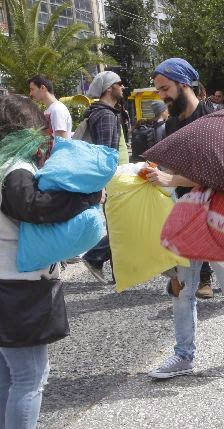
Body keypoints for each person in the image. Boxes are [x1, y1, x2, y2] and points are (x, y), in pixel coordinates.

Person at [0, 95, 102, 429]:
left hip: (7, 282)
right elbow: (34, 206)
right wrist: (87, 197)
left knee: (8, 375)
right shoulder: (14, 168)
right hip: (17, 285)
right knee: (30, 377)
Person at [146, 58, 224, 377]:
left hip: (217, 217)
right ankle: (183, 356)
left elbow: (221, 173)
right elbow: (180, 169)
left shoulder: (214, 117)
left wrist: (171, 179)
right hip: (186, 218)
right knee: (180, 290)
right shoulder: (173, 123)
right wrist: (157, 174)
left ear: (183, 83)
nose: (161, 95)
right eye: (158, 89)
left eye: (165, 88)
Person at [81, 71, 126, 284]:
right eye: (119, 84)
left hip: (112, 178)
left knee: (120, 223)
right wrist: (103, 185)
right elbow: (105, 154)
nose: (123, 87)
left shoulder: (100, 112)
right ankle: (95, 256)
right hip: (112, 179)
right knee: (124, 223)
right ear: (109, 88)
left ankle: (119, 272)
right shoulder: (106, 115)